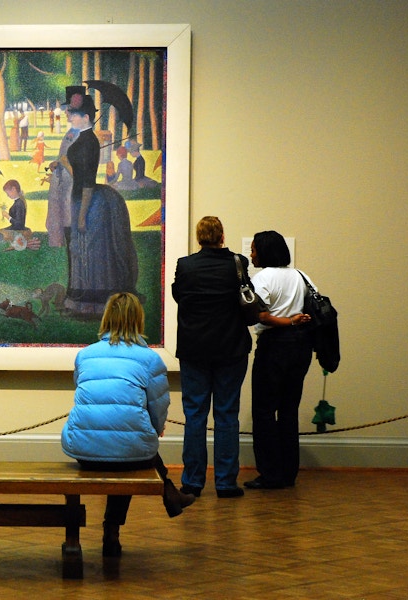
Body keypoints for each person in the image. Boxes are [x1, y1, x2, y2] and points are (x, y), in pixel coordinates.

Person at [61, 292, 195, 557]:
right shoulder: (149, 359)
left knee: (126, 446)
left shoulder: (85, 355)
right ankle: (115, 527)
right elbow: (158, 405)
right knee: (131, 451)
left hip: (84, 451)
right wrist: (154, 430)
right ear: (138, 319)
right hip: (131, 453)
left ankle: (169, 495)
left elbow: (84, 391)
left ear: (106, 317)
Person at [172, 216, 252, 498]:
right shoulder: (238, 263)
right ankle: (226, 482)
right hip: (231, 348)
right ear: (222, 236)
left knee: (194, 415)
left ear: (199, 238)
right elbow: (248, 299)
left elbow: (178, 295)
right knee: (227, 414)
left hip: (194, 350)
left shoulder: (186, 265)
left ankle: (193, 481)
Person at [60, 86, 139, 315]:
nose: (69, 116)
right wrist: (65, 163)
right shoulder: (85, 139)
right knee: (81, 250)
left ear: (85, 117)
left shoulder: (88, 142)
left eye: (72, 114)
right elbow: (80, 174)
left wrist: (83, 214)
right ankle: (82, 302)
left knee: (89, 251)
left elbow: (86, 182)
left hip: (89, 201)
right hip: (82, 198)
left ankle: (90, 305)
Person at [245, 230, 314, 490]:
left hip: (274, 345)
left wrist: (286, 320)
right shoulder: (301, 276)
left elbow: (260, 315)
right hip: (301, 346)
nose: (251, 254)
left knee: (264, 411)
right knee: (288, 410)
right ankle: (288, 472)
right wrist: (296, 320)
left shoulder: (262, 278)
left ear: (263, 251)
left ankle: (270, 473)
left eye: (253, 249)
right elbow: (313, 306)